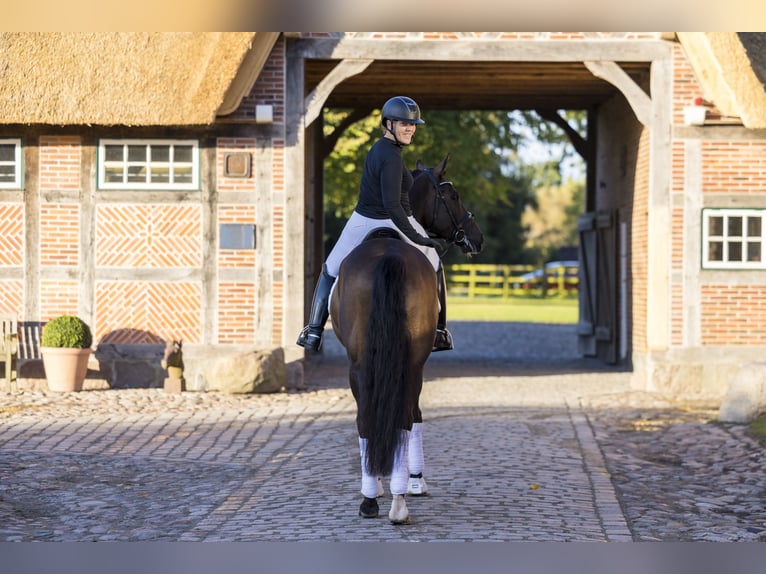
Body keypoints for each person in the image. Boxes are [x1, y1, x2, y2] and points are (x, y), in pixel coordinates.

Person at [296, 95, 454, 353]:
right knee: (434, 261)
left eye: (413, 125)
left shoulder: (388, 150)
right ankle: (440, 331)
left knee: (331, 268)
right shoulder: (390, 157)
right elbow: (393, 206)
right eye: (405, 124)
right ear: (389, 124)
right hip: (379, 217)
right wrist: (420, 238)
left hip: (363, 220)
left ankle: (313, 331)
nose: (410, 129)